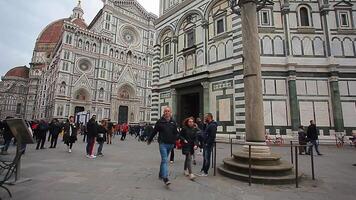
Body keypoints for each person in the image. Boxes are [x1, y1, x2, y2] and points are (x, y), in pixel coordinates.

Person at [147, 107, 179, 186]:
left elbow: (176, 132)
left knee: (163, 160)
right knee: (165, 160)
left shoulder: (173, 122)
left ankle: (161, 174)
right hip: (162, 143)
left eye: (168, 111)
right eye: (165, 111)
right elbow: (154, 131)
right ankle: (165, 178)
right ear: (163, 112)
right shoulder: (160, 121)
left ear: (170, 112)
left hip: (171, 144)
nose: (167, 112)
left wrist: (177, 139)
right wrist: (149, 139)